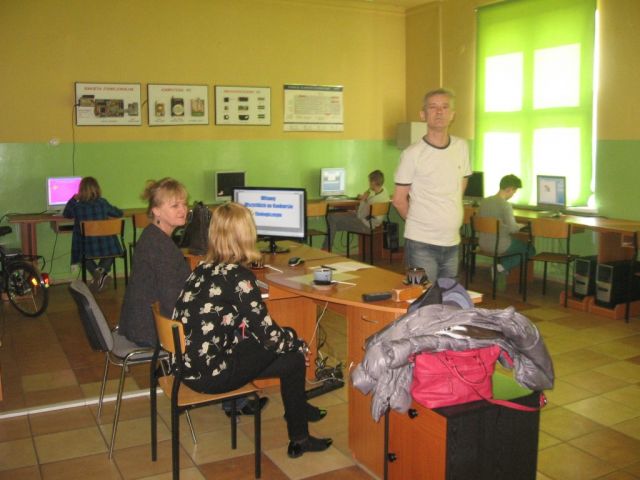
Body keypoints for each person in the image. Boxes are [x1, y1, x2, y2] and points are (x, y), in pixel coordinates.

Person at [172, 202, 332, 458]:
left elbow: (248, 328)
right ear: (246, 235)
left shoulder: (201, 269)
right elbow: (271, 338)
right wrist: (298, 343)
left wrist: (290, 342)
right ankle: (299, 431)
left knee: (290, 357)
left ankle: (299, 419)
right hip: (213, 375)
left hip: (187, 369)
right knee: (290, 348)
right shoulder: (239, 278)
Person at [119, 178, 264, 417]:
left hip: (142, 320)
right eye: (174, 205)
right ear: (156, 211)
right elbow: (173, 302)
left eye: (184, 204)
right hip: (151, 328)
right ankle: (232, 400)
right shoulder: (161, 248)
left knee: (224, 317)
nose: (183, 210)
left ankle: (226, 392)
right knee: (234, 326)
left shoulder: (153, 237)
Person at [392, 88, 471, 282]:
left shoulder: (461, 147)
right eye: (433, 107)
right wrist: (420, 223)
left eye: (445, 107)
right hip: (420, 244)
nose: (439, 112)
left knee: (448, 296)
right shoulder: (412, 154)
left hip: (452, 242)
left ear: (452, 114)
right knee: (420, 295)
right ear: (423, 115)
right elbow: (399, 200)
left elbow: (460, 185)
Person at [63, 176, 123, 290]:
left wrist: (74, 199)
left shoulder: (77, 207)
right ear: (97, 189)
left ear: (81, 190)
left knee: (82, 256)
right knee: (112, 252)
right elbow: (119, 213)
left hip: (87, 247)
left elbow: (66, 214)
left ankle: (97, 276)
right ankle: (101, 275)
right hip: (106, 247)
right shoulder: (103, 203)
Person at [477, 174, 535, 275]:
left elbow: (482, 222)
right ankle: (500, 267)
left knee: (512, 243)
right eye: (514, 192)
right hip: (500, 245)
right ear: (509, 189)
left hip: (482, 243)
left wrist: (504, 226)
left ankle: (502, 273)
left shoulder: (484, 201)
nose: (513, 195)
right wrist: (521, 226)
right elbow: (513, 229)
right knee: (530, 250)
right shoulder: (505, 205)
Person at [322, 170, 389, 251]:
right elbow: (365, 212)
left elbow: (360, 215)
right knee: (333, 222)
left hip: (366, 226)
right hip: (373, 223)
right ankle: (326, 250)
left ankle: (325, 250)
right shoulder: (385, 192)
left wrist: (363, 200)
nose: (369, 184)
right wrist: (365, 199)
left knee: (332, 218)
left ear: (373, 183)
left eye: (369, 182)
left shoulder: (372, 201)